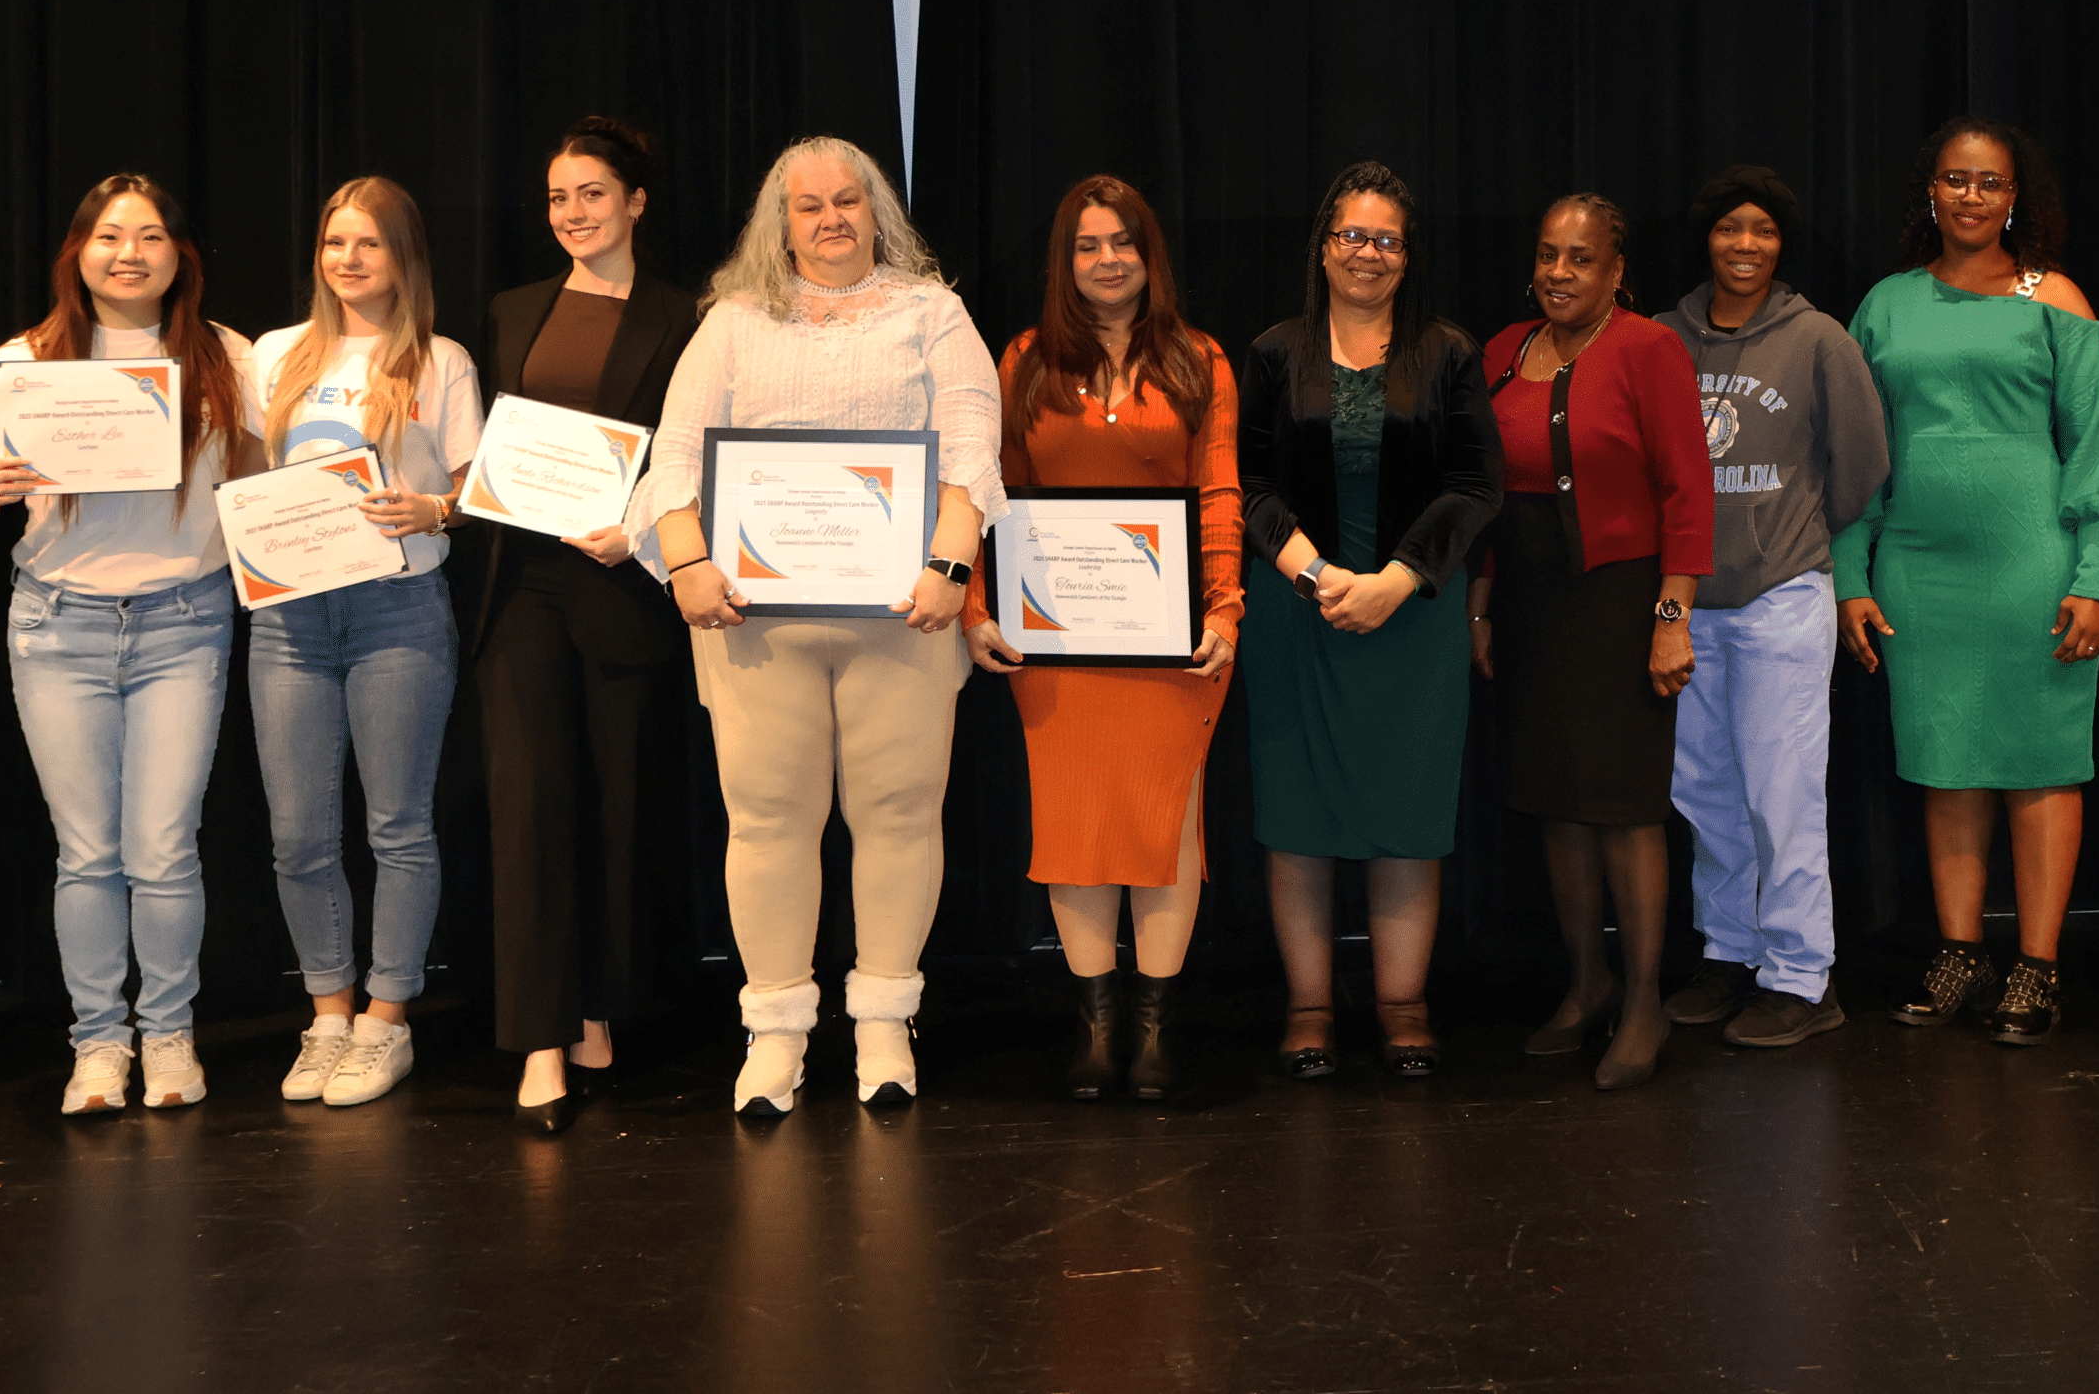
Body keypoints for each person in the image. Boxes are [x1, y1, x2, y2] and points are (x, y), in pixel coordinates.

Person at [632, 136, 998, 1115]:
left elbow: (972, 448)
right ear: (778, 221)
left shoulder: (934, 313)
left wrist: (949, 566)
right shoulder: (735, 321)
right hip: (755, 619)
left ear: (877, 209)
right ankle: (777, 1030)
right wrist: (688, 560)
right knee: (767, 818)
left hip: (904, 614)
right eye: (809, 205)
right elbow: (672, 459)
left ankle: (884, 1020)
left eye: (849, 199)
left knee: (899, 814)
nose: (832, 217)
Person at [0, 175, 257, 1115]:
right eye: (110, 235)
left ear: (179, 254)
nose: (130, 252)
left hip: (184, 621)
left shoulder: (226, 357)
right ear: (77, 252)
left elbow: (262, 482)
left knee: (163, 849)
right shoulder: (23, 363)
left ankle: (167, 1035)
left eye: (150, 235)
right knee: (86, 853)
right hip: (58, 625)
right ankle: (96, 1043)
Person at [1838, 121, 2099, 1046]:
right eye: (1953, 180)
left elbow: (2098, 451)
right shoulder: (1883, 305)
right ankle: (1959, 952)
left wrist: (2098, 577)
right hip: (1917, 569)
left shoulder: (2059, 298)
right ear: (1928, 191)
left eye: (1989, 182)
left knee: (2040, 761)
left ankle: (2037, 967)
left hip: (2033, 563)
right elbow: (1851, 458)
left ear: (2017, 197)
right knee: (1945, 756)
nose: (1970, 196)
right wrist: (1850, 574)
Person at [963, 176, 1241, 1101]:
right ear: (1064, 260)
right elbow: (987, 495)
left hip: (1169, 648)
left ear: (1149, 254)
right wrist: (975, 611)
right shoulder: (1025, 361)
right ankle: (1095, 1023)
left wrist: (1224, 610)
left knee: (1167, 832)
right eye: (1087, 245)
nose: (1107, 259)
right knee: (1075, 830)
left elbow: (1219, 495)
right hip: (1060, 645)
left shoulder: (1201, 359)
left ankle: (1155, 1028)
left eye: (1123, 242)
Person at [1239, 163, 1504, 1080]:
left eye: (1385, 239)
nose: (1366, 253)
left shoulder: (1446, 351)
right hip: (1296, 603)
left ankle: (1403, 1005)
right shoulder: (1276, 351)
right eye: (1351, 235)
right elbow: (1252, 483)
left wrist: (1397, 578)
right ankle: (1309, 1007)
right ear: (1323, 248)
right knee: (1299, 814)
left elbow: (1476, 484)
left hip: (1413, 609)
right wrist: (1316, 574)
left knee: (1407, 810)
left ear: (1406, 255)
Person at [470, 117, 701, 1130]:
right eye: (560, 196)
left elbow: (695, 455)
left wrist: (640, 528)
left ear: (636, 201)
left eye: (593, 193)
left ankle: (602, 1006)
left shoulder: (690, 315)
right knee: (529, 807)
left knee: (619, 809)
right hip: (521, 583)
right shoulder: (513, 309)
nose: (573, 212)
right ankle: (539, 1042)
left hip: (625, 585)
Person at [246, 178, 485, 1109]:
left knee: (397, 826)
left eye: (370, 244)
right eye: (336, 241)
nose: (349, 259)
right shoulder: (275, 355)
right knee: (298, 833)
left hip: (397, 610)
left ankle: (387, 1021)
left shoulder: (440, 360)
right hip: (290, 617)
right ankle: (328, 1016)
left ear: (404, 258)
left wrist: (433, 508)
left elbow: (474, 491)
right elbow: (237, 474)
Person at [1465, 196, 1712, 1091]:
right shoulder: (1500, 351)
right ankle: (1586, 982)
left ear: (1615, 272)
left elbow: (1688, 490)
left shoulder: (1649, 349)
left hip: (1620, 600)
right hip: (1531, 603)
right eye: (1546, 256)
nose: (1558, 273)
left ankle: (1644, 999)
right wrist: (1482, 605)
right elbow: (1481, 494)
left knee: (1623, 808)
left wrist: (1670, 618)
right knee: (1557, 803)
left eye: (1579, 259)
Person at [1659, 167, 1887, 1049]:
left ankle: (1799, 974)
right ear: (1706, 239)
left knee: (1781, 792)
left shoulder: (1817, 338)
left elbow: (1861, 464)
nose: (1743, 244)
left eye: (1761, 230)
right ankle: (1728, 950)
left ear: (1780, 242)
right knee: (1704, 790)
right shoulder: (1659, 340)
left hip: (1781, 593)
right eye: (1728, 228)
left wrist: (1794, 536)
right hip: (1686, 603)